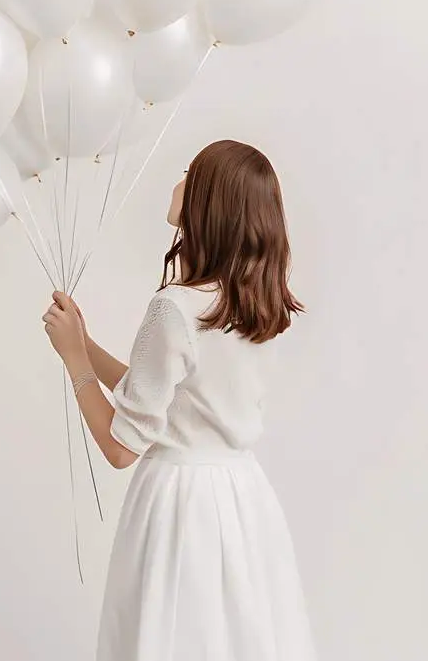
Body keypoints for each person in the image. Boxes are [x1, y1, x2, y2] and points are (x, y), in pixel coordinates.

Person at [42, 139, 318, 661]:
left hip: (180, 502)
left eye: (190, 173)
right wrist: (84, 342)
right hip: (241, 497)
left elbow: (123, 447)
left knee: (174, 638)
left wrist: (74, 362)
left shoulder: (174, 308)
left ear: (208, 201)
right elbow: (170, 400)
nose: (178, 181)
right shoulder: (255, 304)